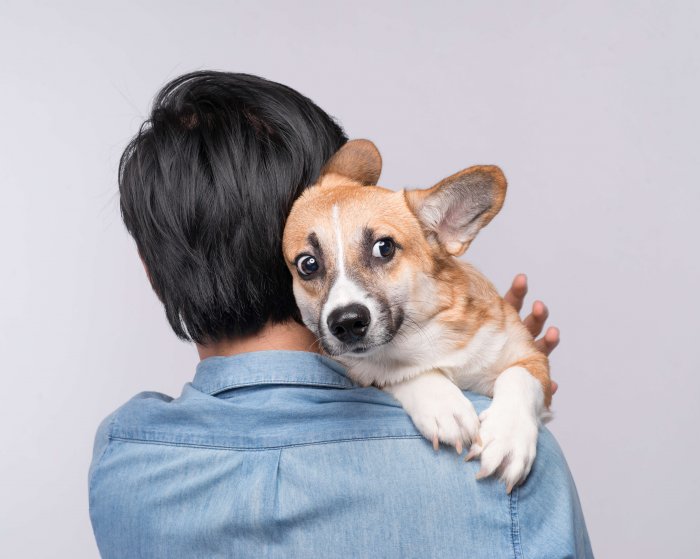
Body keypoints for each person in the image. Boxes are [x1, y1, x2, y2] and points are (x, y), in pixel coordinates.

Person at [89, 71, 593, 558]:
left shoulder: (123, 458)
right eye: (311, 264)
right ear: (287, 253)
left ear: (153, 272)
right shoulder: (512, 456)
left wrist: (473, 363)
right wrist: (504, 394)